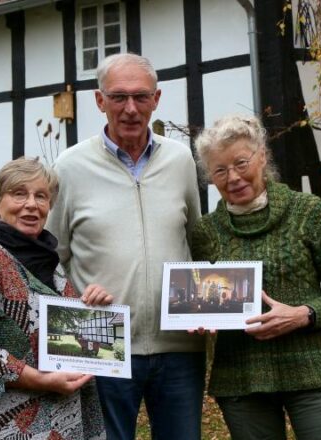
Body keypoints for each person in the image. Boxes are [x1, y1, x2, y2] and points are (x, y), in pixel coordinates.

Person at [46, 53, 204, 440]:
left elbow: (196, 242)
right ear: (100, 101)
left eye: (140, 97)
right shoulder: (69, 167)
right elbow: (51, 258)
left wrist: (208, 305)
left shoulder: (181, 160)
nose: (130, 108)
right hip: (98, 342)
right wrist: (75, 304)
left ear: (157, 99)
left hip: (179, 344)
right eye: (118, 97)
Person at [190, 113, 321, 439]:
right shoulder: (206, 232)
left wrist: (304, 314)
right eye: (220, 170)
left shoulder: (307, 211)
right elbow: (210, 301)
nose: (233, 177)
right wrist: (203, 317)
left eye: (241, 163)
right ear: (210, 176)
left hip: (314, 371)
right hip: (241, 378)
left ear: (262, 156)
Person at [0, 157, 112, 440]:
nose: (31, 204)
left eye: (41, 196)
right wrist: (40, 380)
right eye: (19, 193)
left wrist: (91, 311)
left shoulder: (51, 265)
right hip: (2, 425)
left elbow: (64, 341)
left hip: (61, 420)